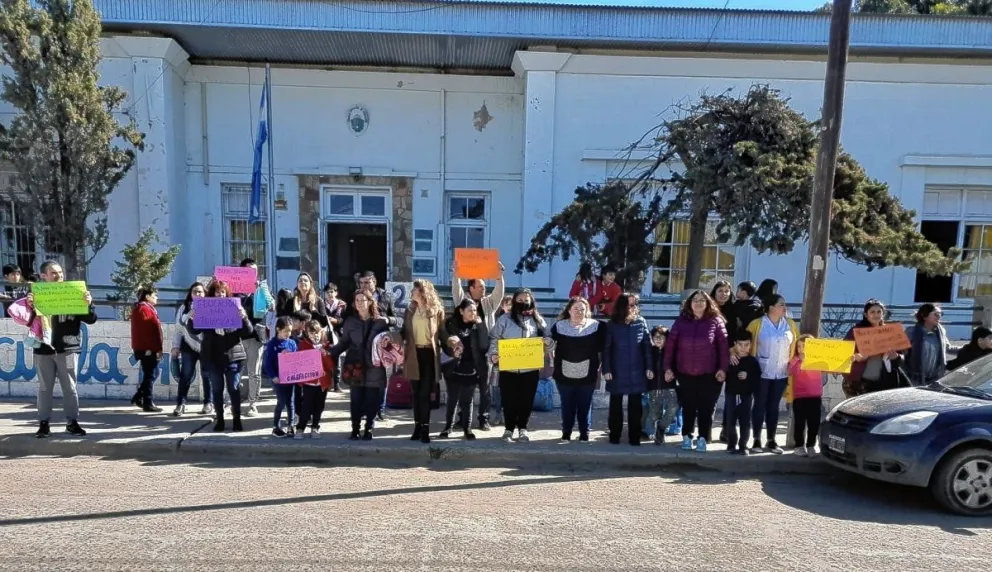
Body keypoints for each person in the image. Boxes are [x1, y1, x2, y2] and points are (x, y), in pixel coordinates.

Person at [26, 261, 96, 438]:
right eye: (54, 273)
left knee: (70, 388)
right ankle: (44, 423)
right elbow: (26, 320)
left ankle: (72, 422)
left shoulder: (74, 292)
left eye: (60, 272)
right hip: (43, 348)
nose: (59, 276)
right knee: (44, 388)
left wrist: (88, 303)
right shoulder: (36, 294)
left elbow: (91, 319)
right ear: (44, 276)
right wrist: (29, 306)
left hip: (68, 348)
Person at [664, 290, 728, 452]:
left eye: (702, 300)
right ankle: (687, 436)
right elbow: (670, 347)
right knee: (688, 406)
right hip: (685, 372)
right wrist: (667, 368)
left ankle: (703, 438)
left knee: (706, 407)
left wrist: (723, 369)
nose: (698, 303)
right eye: (695, 300)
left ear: (707, 303)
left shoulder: (715, 321)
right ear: (689, 304)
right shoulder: (681, 322)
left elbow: (723, 348)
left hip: (709, 373)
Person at [330, 290, 398, 440]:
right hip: (355, 364)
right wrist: (329, 353)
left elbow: (397, 324)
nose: (360, 303)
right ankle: (355, 429)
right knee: (355, 398)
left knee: (372, 399)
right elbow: (344, 343)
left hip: (375, 365)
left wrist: (388, 320)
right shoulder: (350, 322)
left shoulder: (379, 321)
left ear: (370, 302)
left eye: (363, 300)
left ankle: (369, 428)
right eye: (357, 300)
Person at [452, 260, 505, 430]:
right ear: (471, 289)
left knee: (485, 389)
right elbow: (456, 291)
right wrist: (456, 274)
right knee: (464, 389)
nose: (484, 289)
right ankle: (462, 418)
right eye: (480, 287)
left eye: (484, 287)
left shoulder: (488, 303)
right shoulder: (463, 303)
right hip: (467, 353)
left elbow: (499, 294)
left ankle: (484, 419)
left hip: (484, 352)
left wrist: (499, 277)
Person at [488, 288, 547, 443]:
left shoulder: (538, 320)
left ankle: (523, 429)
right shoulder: (504, 319)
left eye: (526, 300)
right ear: (514, 301)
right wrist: (494, 354)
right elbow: (494, 338)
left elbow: (548, 340)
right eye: (519, 300)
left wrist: (548, 343)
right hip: (509, 368)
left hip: (530, 369)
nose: (523, 303)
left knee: (526, 400)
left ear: (531, 301)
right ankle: (508, 429)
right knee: (509, 399)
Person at [744, 293, 799, 455]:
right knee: (759, 405)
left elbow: (798, 345)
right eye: (781, 304)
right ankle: (756, 439)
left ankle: (771, 439)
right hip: (761, 372)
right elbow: (745, 343)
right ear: (771, 307)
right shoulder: (757, 324)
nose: (785, 307)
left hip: (781, 373)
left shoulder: (789, 324)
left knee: (774, 407)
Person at [546, 296, 603, 443]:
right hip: (563, 373)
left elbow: (604, 348)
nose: (579, 312)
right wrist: (547, 343)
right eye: (575, 309)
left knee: (585, 404)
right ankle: (566, 433)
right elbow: (550, 345)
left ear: (587, 311)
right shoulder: (559, 326)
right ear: (569, 310)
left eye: (582, 309)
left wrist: (604, 366)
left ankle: (584, 434)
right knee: (567, 404)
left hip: (588, 372)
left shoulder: (597, 326)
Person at [200, 280, 254, 432]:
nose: (220, 295)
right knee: (217, 390)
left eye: (223, 292)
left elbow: (248, 332)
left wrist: (244, 317)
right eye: (217, 292)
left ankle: (237, 419)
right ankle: (220, 420)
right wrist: (193, 317)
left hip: (233, 357)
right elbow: (194, 330)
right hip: (213, 358)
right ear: (212, 294)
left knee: (233, 388)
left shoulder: (234, 307)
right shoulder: (206, 310)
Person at [602, 294, 653, 446]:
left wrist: (649, 367)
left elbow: (647, 347)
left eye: (635, 305)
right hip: (617, 370)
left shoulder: (641, 322)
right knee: (615, 406)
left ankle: (634, 437)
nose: (632, 308)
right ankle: (614, 436)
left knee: (635, 407)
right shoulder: (612, 324)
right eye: (629, 305)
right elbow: (606, 350)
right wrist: (607, 369)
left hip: (637, 370)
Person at [401, 279, 446, 443]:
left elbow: (442, 333)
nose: (412, 292)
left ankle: (426, 429)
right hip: (414, 354)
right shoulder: (410, 310)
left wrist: (453, 344)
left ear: (422, 292)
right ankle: (417, 427)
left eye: (414, 290)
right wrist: (390, 339)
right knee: (415, 394)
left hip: (429, 354)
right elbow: (404, 332)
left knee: (425, 394)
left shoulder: (436, 310)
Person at [439, 299, 488, 440]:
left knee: (467, 400)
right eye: (469, 310)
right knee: (452, 398)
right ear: (461, 311)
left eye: (474, 310)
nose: (473, 313)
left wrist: (481, 326)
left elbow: (484, 346)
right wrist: (452, 348)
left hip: (472, 367)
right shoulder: (450, 324)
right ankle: (448, 427)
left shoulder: (477, 325)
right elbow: (443, 343)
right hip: (453, 366)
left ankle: (467, 428)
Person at [845, 299, 904, 396]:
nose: (876, 315)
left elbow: (902, 357)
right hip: (857, 383)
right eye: (872, 312)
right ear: (865, 314)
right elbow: (845, 353)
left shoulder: (889, 332)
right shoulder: (855, 331)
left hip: (882, 383)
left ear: (883, 313)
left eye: (879, 311)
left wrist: (896, 357)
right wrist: (856, 357)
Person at [237, 258, 269, 418]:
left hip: (256, 335)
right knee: (234, 371)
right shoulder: (234, 289)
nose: (252, 273)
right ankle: (231, 402)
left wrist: (263, 294)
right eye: (249, 269)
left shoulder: (262, 287)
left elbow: (272, 306)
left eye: (254, 270)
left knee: (254, 372)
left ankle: (252, 404)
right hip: (236, 335)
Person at [172, 282, 209, 417]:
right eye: (195, 291)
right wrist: (175, 346)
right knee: (185, 375)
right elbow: (179, 329)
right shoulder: (184, 308)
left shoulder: (210, 307)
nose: (198, 294)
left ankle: (207, 403)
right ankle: (180, 404)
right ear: (190, 293)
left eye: (200, 291)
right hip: (188, 346)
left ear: (205, 293)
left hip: (206, 346)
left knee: (207, 376)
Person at [296, 319, 336, 439]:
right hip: (309, 383)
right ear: (307, 333)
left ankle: (315, 427)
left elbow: (330, 366)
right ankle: (300, 428)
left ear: (321, 332)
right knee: (306, 406)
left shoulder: (327, 346)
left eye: (317, 332)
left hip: (322, 383)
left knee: (319, 406)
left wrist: (324, 354)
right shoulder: (303, 345)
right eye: (311, 333)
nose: (315, 335)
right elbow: (298, 363)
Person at [130, 286, 164, 413]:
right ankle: (147, 402)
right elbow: (149, 332)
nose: (157, 298)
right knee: (151, 374)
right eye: (155, 295)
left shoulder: (145, 308)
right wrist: (155, 348)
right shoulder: (144, 309)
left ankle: (139, 396)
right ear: (148, 297)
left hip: (146, 347)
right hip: (147, 348)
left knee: (152, 373)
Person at [726, 330, 760, 455]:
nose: (743, 348)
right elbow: (723, 372)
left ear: (751, 345)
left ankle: (743, 446)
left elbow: (757, 380)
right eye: (740, 344)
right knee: (730, 421)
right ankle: (731, 444)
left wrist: (748, 376)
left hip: (746, 396)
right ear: (735, 344)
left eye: (746, 345)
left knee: (745, 421)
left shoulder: (752, 361)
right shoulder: (730, 359)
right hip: (731, 394)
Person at [263, 317, 298, 437]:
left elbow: (296, 360)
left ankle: (291, 425)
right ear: (278, 329)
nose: (288, 334)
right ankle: (276, 426)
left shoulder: (292, 343)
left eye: (290, 331)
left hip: (290, 378)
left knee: (291, 402)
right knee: (281, 401)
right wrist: (273, 376)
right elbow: (267, 364)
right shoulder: (272, 344)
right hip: (278, 378)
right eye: (285, 331)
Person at [789, 334, 823, 457]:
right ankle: (799, 446)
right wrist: (799, 360)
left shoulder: (818, 360)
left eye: (805, 346)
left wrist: (848, 360)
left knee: (814, 423)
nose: (801, 349)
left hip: (815, 397)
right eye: (799, 347)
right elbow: (790, 371)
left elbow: (833, 366)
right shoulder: (795, 360)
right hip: (800, 397)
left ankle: (811, 446)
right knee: (799, 423)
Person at [904, 303, 951, 386]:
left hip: (935, 379)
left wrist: (970, 348)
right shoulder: (911, 332)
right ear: (924, 316)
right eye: (936, 314)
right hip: (914, 379)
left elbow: (948, 348)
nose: (939, 317)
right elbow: (902, 352)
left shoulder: (941, 332)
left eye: (940, 314)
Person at [646, 325, 678, 445]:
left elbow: (677, 365)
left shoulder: (671, 352)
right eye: (655, 337)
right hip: (653, 386)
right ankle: (655, 433)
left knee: (673, 407)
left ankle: (661, 428)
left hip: (669, 385)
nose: (658, 339)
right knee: (655, 412)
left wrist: (672, 373)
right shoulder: (650, 352)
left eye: (662, 337)